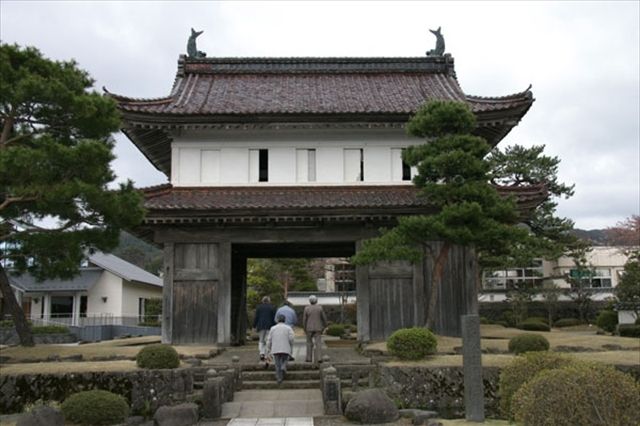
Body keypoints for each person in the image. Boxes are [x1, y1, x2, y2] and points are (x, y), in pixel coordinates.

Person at [267, 314, 295, 384]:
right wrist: (291, 345)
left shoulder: (273, 328)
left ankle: (279, 378)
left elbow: (269, 339)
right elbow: (291, 338)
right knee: (285, 360)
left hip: (275, 348)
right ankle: (283, 366)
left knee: (277, 364)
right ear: (284, 320)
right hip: (285, 347)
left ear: (277, 320)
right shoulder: (288, 328)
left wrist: (269, 347)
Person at [303, 294, 327, 364]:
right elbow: (323, 318)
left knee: (309, 343)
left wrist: (304, 327)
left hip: (309, 327)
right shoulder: (320, 308)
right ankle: (319, 358)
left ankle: (309, 358)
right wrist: (325, 325)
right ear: (316, 300)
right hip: (318, 327)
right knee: (318, 343)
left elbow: (304, 319)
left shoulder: (306, 308)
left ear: (309, 301)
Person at [253, 296, 276, 361]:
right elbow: (274, 318)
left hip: (261, 326)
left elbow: (256, 317)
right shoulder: (272, 307)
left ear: (262, 301)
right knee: (268, 340)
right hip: (269, 326)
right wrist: (274, 326)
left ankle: (261, 353)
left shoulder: (259, 307)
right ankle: (267, 354)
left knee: (261, 340)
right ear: (269, 301)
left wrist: (254, 326)